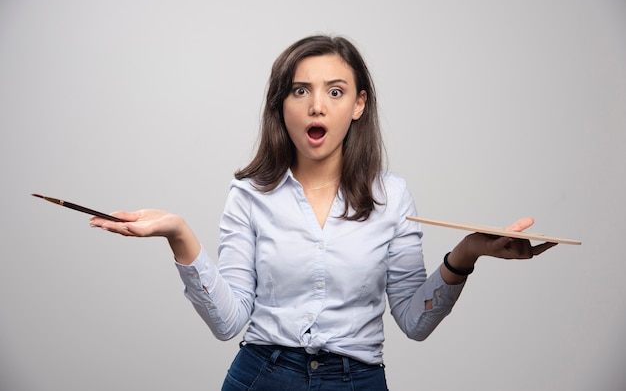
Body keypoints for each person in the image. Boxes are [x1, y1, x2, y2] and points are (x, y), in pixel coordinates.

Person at [90, 35, 556, 390]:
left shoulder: (392, 196)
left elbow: (415, 322)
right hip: (262, 375)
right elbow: (228, 323)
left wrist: (468, 253)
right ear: (282, 105)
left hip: (358, 380)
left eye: (335, 92)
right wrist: (179, 235)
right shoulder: (248, 195)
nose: (317, 105)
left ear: (358, 105)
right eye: (300, 91)